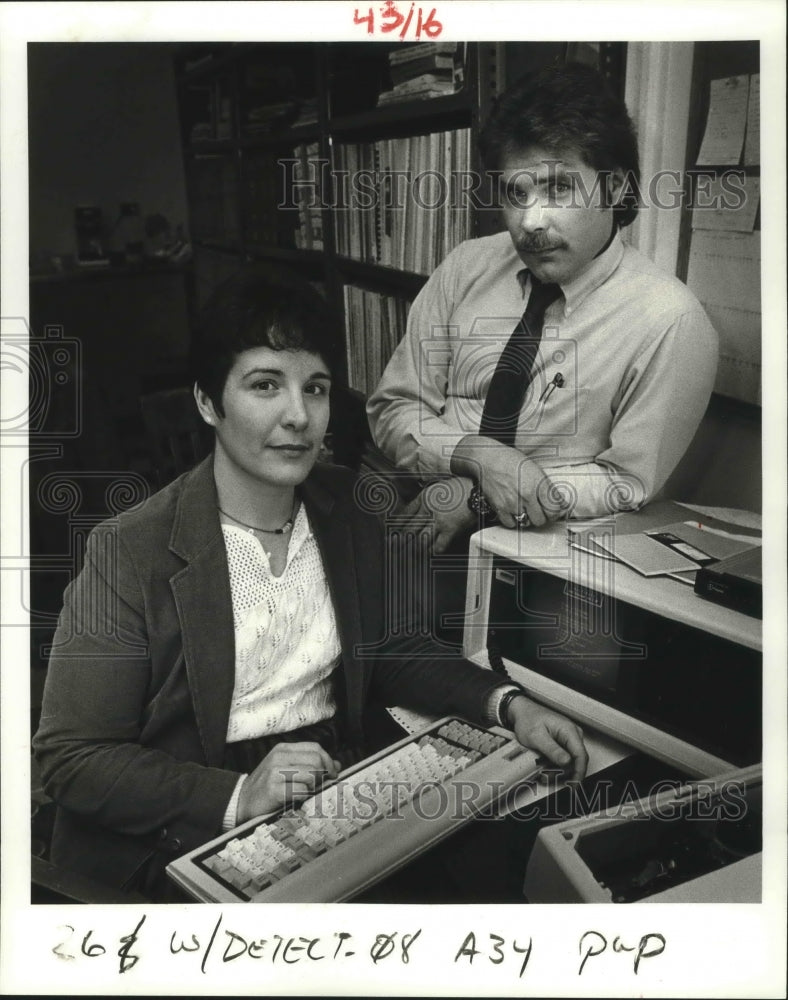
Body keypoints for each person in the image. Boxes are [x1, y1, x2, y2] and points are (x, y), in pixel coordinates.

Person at [33, 265, 587, 902]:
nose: (298, 415)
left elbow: (391, 650)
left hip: (326, 776)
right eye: (265, 385)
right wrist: (240, 795)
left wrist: (509, 704)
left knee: (494, 878)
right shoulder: (128, 551)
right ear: (208, 402)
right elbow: (72, 757)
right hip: (187, 814)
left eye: (316, 388)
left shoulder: (347, 504)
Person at [367, 63, 719, 554]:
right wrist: (477, 457)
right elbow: (394, 407)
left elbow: (625, 482)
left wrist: (481, 495)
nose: (531, 221)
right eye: (517, 192)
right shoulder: (466, 266)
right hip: (414, 515)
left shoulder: (670, 320)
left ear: (615, 187)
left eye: (559, 188)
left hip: (552, 557)